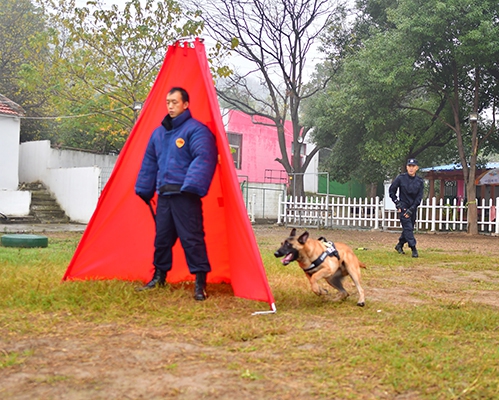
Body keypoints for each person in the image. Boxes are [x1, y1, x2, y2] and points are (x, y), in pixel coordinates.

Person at [135, 87, 218, 300]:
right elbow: (149, 162)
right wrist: (145, 189)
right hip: (164, 195)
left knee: (192, 239)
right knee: (162, 239)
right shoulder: (159, 134)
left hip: (185, 195)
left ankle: (200, 284)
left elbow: (204, 156)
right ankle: (159, 277)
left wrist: (191, 186)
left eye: (174, 102)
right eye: (168, 102)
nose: (170, 106)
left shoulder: (197, 130)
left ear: (185, 104)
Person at [389, 158, 424, 258]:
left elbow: (419, 197)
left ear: (417, 168)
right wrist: (397, 203)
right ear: (406, 167)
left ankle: (399, 245)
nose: (411, 168)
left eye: (413, 166)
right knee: (408, 228)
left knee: (409, 228)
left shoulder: (420, 181)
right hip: (403, 207)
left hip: (413, 207)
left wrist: (412, 209)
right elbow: (392, 191)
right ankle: (413, 248)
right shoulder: (400, 178)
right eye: (409, 166)